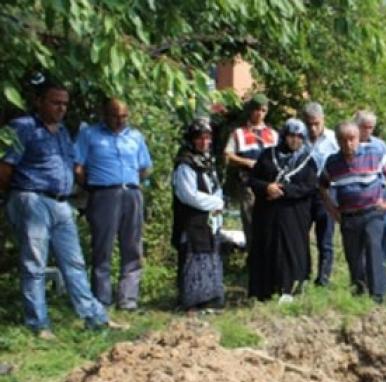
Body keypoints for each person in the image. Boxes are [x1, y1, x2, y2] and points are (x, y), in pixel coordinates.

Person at [0, 80, 121, 339]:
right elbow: (5, 169)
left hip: (61, 202)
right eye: (55, 102)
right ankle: (39, 324)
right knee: (34, 263)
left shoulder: (63, 131)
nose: (61, 108)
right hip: (32, 199)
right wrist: (19, 195)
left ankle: (94, 317)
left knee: (75, 261)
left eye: (64, 104)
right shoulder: (23, 128)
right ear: (39, 102)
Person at [74, 98, 152, 310]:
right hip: (103, 193)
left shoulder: (135, 137)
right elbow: (78, 167)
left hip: (132, 192)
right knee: (102, 247)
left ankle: (128, 299)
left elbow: (145, 167)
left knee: (133, 247)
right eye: (115, 116)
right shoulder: (89, 134)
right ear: (104, 114)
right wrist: (92, 187)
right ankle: (101, 299)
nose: (119, 121)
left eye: (124, 116)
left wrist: (135, 182)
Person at [320, 122, 386, 302]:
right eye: (343, 140)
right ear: (337, 141)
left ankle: (378, 296)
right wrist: (333, 211)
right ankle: (359, 293)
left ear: (358, 138)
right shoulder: (332, 162)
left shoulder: (373, 153)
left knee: (373, 249)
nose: (348, 144)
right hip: (348, 216)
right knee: (353, 256)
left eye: (351, 139)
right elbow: (322, 186)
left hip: (372, 212)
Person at [248, 118, 317, 302]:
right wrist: (267, 188)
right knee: (267, 246)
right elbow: (253, 179)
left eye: (299, 136)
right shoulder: (268, 155)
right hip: (267, 213)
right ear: (284, 135)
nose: (295, 140)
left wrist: (283, 191)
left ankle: (289, 289)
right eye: (291, 135)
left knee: (291, 250)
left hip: (294, 214)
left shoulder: (307, 160)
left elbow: (310, 186)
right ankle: (264, 290)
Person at [171, 118, 225, 312]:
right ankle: (192, 301)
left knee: (210, 255)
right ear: (192, 140)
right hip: (191, 221)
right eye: (200, 139)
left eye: (207, 138)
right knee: (194, 258)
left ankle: (209, 298)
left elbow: (216, 187)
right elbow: (188, 195)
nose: (204, 142)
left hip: (208, 221)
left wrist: (219, 201)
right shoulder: (185, 163)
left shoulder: (208, 161)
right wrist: (216, 202)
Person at [224, 94, 278, 249]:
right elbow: (227, 155)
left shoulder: (273, 135)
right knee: (251, 221)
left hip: (269, 184)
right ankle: (253, 258)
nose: (259, 113)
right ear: (250, 111)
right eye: (256, 110)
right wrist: (246, 162)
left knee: (269, 221)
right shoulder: (239, 133)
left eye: (263, 110)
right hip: (248, 183)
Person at [301, 102, 339, 286]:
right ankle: (303, 273)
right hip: (304, 193)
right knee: (301, 234)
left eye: (316, 123)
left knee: (325, 237)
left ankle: (323, 278)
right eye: (309, 124)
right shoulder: (299, 139)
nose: (313, 128)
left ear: (323, 120)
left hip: (327, 191)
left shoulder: (334, 139)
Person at [354, 110, 386, 259]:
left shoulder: (380, 145)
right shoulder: (350, 144)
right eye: (364, 127)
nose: (367, 131)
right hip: (358, 195)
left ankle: (382, 262)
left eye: (370, 127)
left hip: (380, 193)